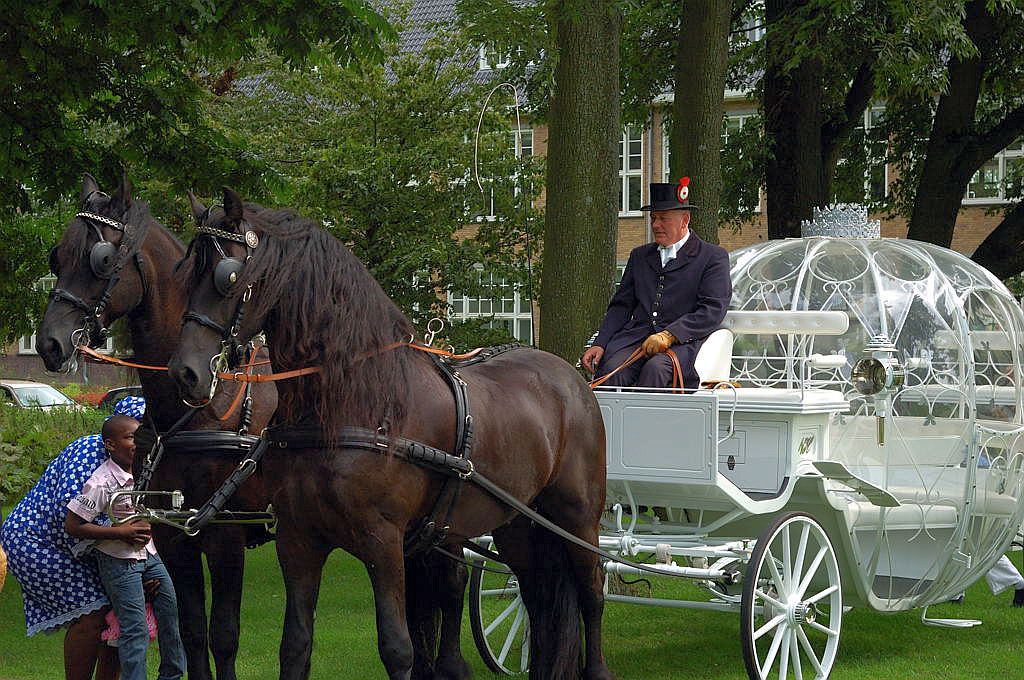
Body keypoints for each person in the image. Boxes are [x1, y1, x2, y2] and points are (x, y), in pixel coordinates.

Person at [0, 396, 146, 680]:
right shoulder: (87, 451)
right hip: (35, 540)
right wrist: (120, 539)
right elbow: (67, 515)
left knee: (117, 609)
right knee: (90, 614)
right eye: (136, 433)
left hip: (85, 544)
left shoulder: (137, 456)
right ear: (114, 436)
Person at [65, 414, 186, 680]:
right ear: (110, 445)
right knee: (135, 629)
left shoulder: (146, 471)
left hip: (149, 555)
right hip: (119, 560)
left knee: (170, 614)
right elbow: (73, 525)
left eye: (138, 437)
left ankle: (172, 675)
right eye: (130, 437)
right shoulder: (101, 482)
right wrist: (120, 532)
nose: (136, 443)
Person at [582, 177, 732, 388]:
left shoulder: (712, 257)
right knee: (611, 369)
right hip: (636, 340)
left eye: (663, 218)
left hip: (684, 342)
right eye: (653, 218)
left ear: (685, 220)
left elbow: (712, 309)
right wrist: (600, 343)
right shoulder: (639, 256)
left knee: (657, 370)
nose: (655, 225)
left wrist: (670, 334)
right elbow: (621, 307)